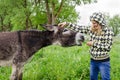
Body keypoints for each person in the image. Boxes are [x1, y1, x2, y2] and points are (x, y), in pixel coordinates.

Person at [58, 12, 114, 80]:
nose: (93, 25)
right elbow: (79, 28)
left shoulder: (108, 32)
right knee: (92, 78)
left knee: (106, 79)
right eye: (92, 23)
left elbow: (108, 47)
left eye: (94, 23)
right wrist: (67, 24)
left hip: (104, 62)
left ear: (100, 22)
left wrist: (94, 44)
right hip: (93, 61)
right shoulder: (91, 29)